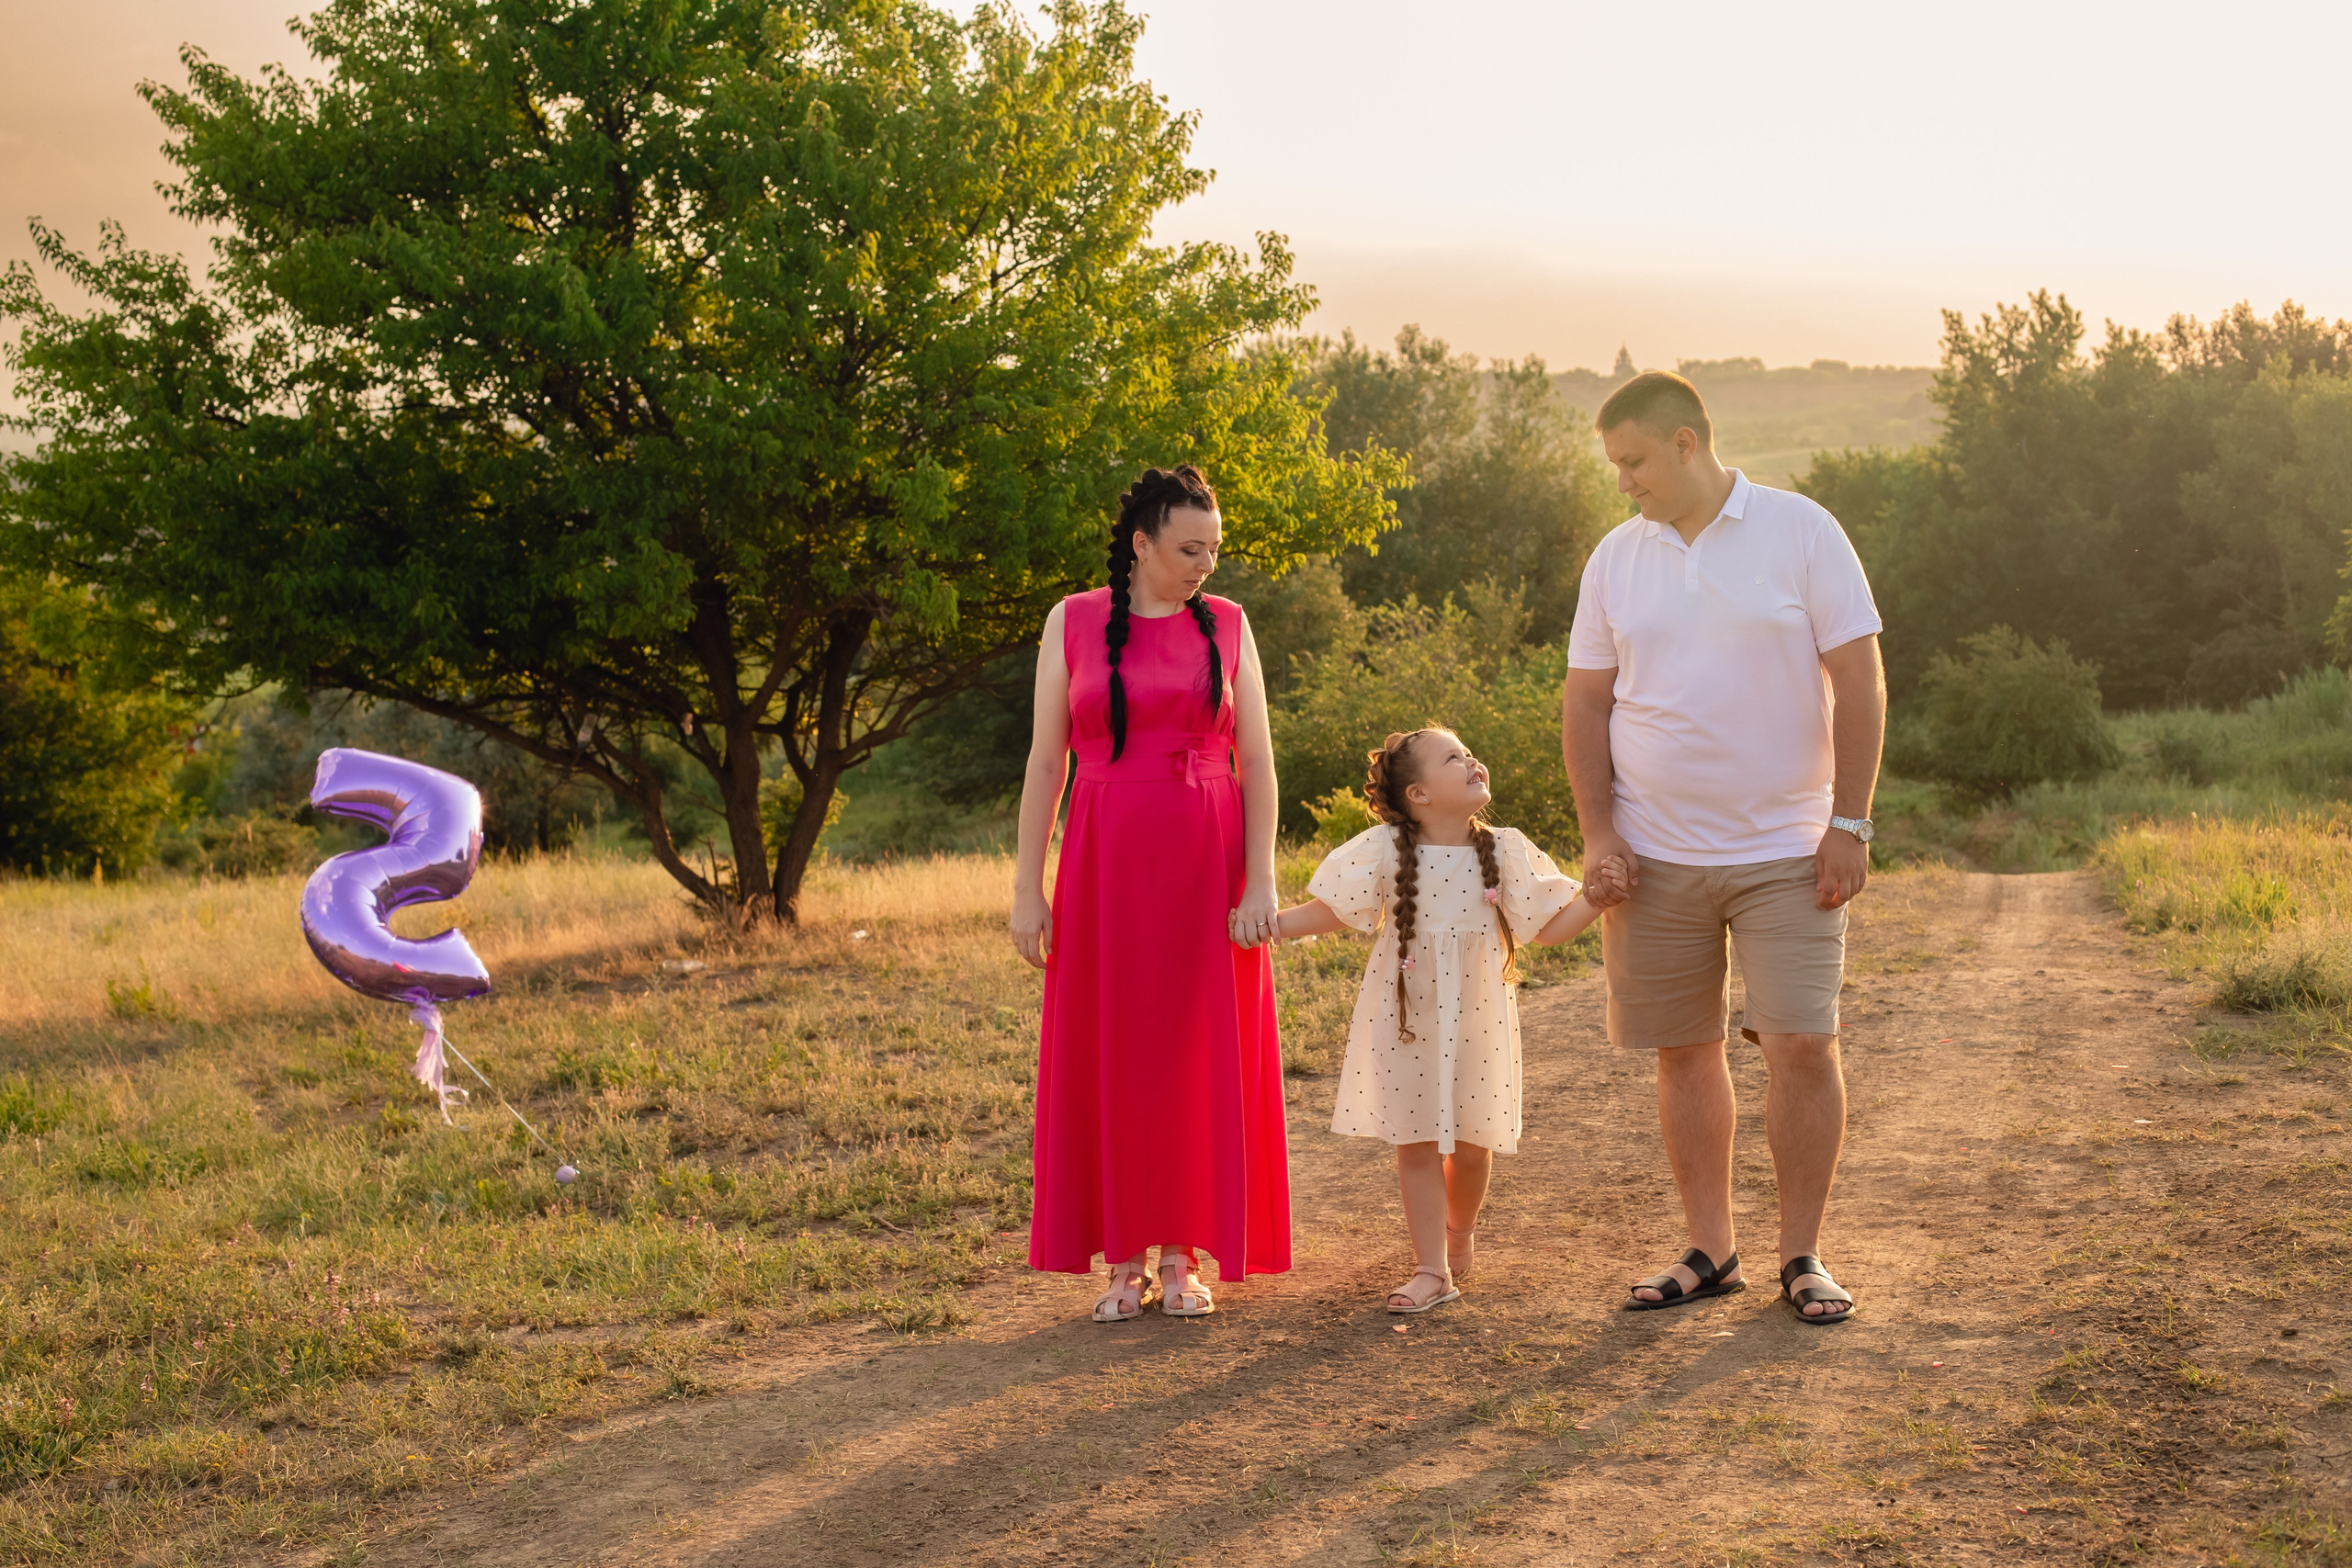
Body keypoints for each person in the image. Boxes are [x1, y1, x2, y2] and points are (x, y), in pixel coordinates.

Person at [1562, 371, 1886, 1325]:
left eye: (1632, 462)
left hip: (1789, 844)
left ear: (1685, 444)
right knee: (1683, 1051)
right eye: (1613, 465)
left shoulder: (1801, 531)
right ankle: (1710, 1251)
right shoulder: (1617, 559)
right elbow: (1584, 701)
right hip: (1656, 856)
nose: (1622, 482)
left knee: (1800, 1043)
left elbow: (1860, 682)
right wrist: (1599, 829)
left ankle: (1801, 1256)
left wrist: (1851, 821)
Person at [1010, 465, 1290, 1323]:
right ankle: (1122, 1258)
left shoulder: (1231, 626)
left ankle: (1184, 1256)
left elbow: (1260, 763)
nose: (1206, 562)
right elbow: (1046, 763)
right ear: (1142, 543)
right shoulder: (1074, 620)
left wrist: (1263, 878)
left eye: (1214, 547)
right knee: (1117, 1050)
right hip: (1103, 861)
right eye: (1188, 547)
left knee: (1196, 1050)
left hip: (1208, 862)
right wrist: (1028, 888)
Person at [1240, 728, 1623, 1313]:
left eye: (1470, 751)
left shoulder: (1507, 849)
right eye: (1453, 757)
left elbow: (1548, 928)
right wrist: (1269, 924)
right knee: (1415, 1140)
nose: (1471, 760)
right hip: (1406, 1018)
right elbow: (1334, 912)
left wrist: (1597, 898)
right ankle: (1430, 1270)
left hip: (1479, 1018)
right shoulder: (1384, 849)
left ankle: (1459, 1231)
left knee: (1472, 1144)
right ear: (1418, 792)